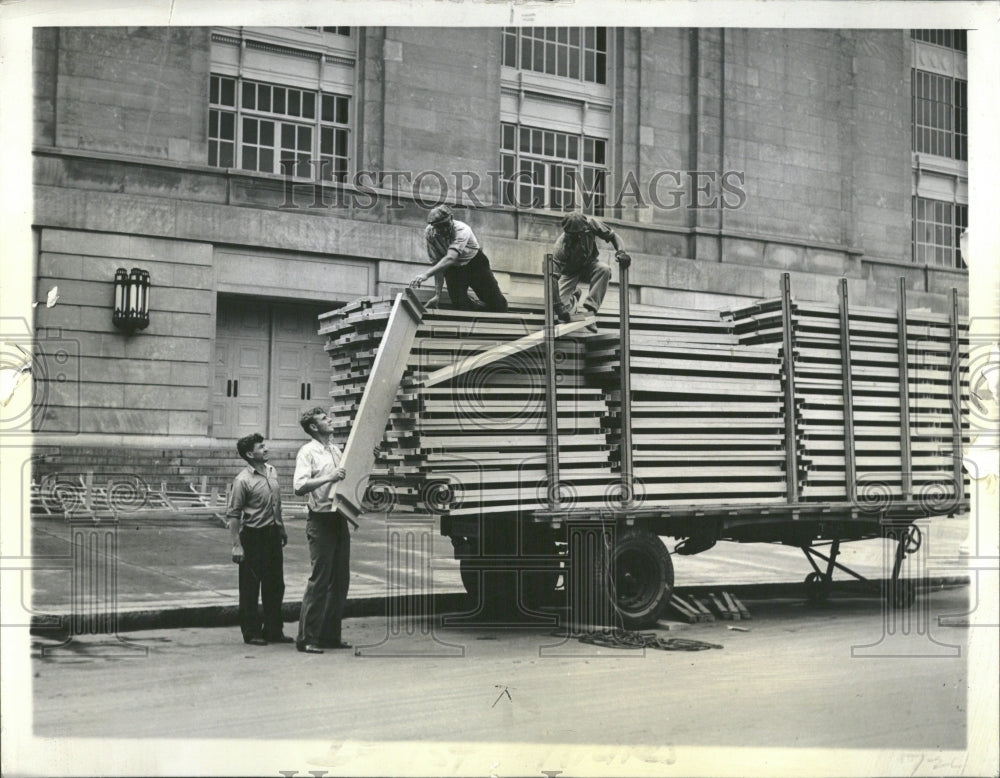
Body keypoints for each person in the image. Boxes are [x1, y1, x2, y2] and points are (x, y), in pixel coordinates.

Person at [293, 407, 352, 654]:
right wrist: (328, 478)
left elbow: (347, 477)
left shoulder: (335, 449)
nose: (331, 420)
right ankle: (307, 638)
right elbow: (299, 486)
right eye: (325, 419)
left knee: (340, 580)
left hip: (339, 517)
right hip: (320, 520)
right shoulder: (308, 452)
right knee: (320, 580)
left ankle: (329, 636)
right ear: (315, 427)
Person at [226, 432, 292, 646]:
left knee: (275, 585)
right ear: (249, 453)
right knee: (250, 587)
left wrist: (281, 529)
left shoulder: (272, 472)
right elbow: (233, 515)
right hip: (253, 537)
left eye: (265, 445)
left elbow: (276, 504)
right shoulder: (242, 480)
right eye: (261, 447)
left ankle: (273, 630)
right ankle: (252, 632)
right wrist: (237, 545)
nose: (266, 449)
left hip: (272, 535)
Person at [410, 204, 509, 312]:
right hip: (454, 268)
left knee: (498, 305)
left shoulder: (462, 229)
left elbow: (451, 257)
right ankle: (476, 308)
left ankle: (484, 307)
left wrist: (426, 274)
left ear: (451, 218)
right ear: (433, 226)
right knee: (460, 305)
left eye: (445, 224)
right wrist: (437, 295)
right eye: (439, 227)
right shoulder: (430, 233)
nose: (443, 229)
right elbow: (438, 264)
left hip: (475, 264)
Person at [551, 212, 632, 332]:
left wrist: (621, 252)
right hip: (570, 273)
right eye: (575, 236)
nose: (579, 237)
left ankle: (591, 311)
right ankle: (574, 296)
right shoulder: (560, 246)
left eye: (581, 234)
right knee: (561, 313)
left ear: (585, 227)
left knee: (604, 269)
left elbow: (614, 237)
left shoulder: (591, 224)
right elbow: (552, 278)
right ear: (568, 233)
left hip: (589, 265)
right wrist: (558, 306)